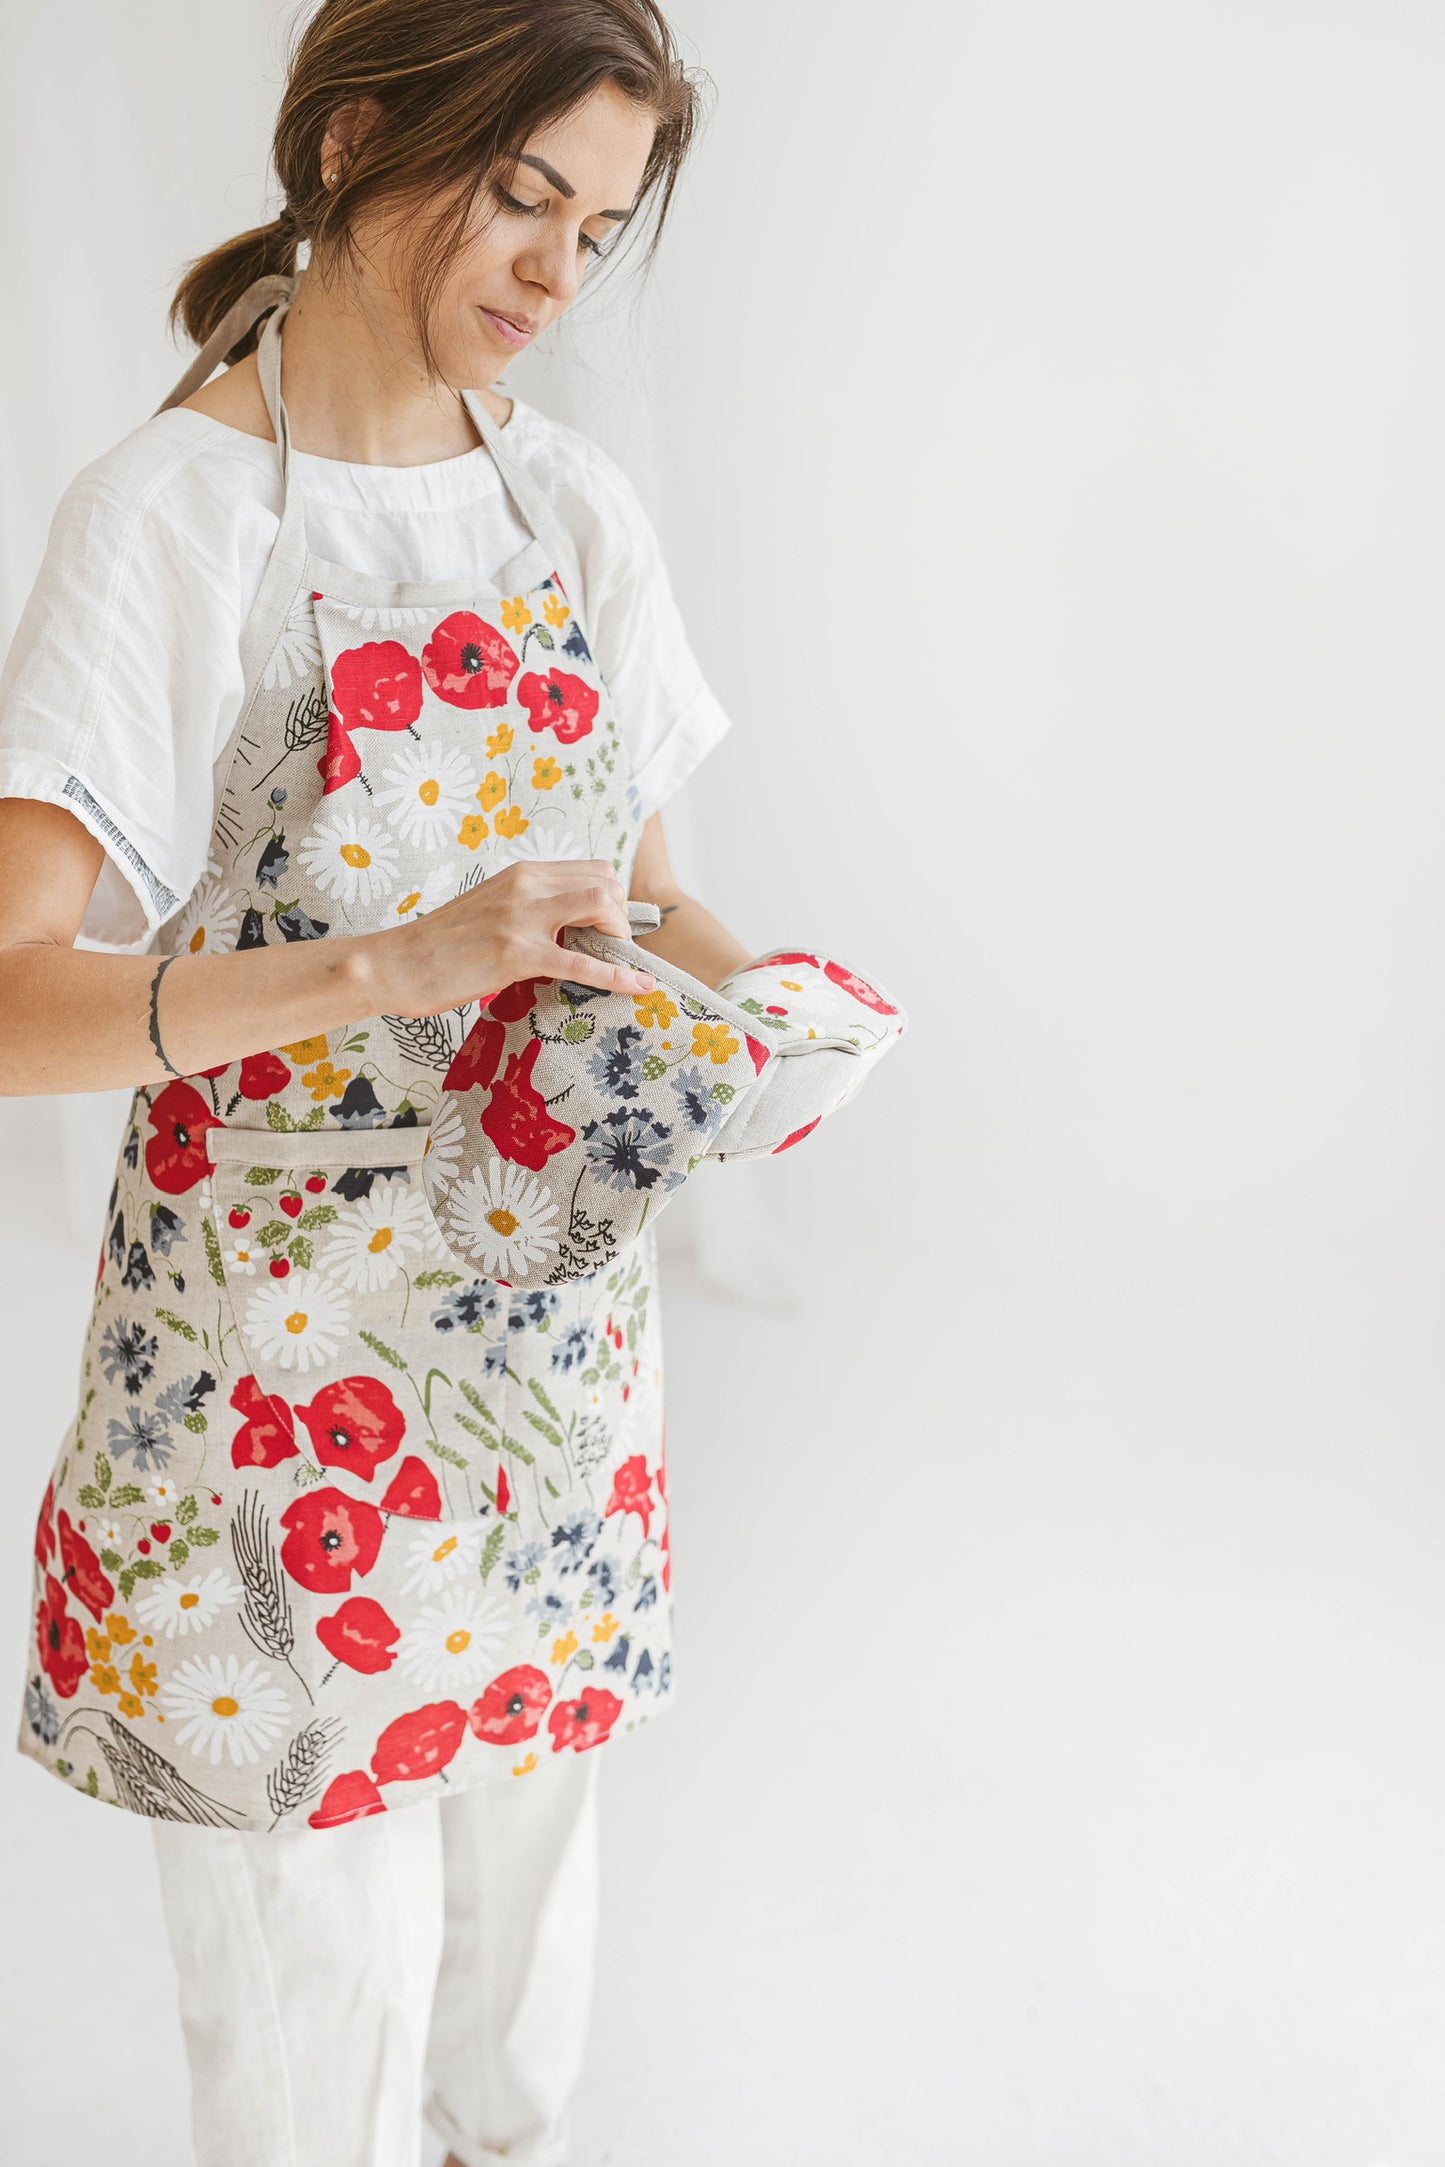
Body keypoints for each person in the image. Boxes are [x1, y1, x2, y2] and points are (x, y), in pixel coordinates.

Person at [0, 4, 749, 2162]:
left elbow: (661, 900)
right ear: (346, 143)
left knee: (518, 1954)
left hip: (536, 1367)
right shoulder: (175, 516)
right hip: (274, 1408)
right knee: (317, 1987)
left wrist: (770, 1013)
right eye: (521, 193)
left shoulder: (570, 505)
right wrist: (385, 968)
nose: (551, 271)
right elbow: (11, 986)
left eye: (596, 229)